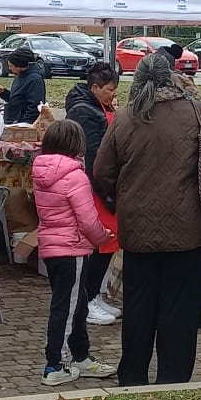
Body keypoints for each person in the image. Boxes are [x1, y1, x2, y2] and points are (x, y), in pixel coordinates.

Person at [94, 50, 201, 385]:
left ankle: (133, 376)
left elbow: (101, 172)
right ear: (171, 76)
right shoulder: (195, 112)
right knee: (180, 310)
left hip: (138, 230)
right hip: (187, 231)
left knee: (138, 307)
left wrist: (124, 196)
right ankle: (173, 379)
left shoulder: (127, 118)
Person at [32, 119, 114, 384]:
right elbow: (87, 219)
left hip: (52, 248)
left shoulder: (42, 171)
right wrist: (103, 237)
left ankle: (81, 355)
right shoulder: (75, 175)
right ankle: (55, 363)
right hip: (72, 249)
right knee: (66, 308)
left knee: (76, 304)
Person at [65, 62, 123, 326]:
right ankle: (86, 301)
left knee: (108, 243)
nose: (113, 94)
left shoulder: (99, 107)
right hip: (96, 188)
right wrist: (107, 192)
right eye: (110, 90)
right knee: (101, 243)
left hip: (104, 185)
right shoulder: (85, 112)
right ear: (95, 87)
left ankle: (94, 295)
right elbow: (93, 156)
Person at [2, 47, 46, 126]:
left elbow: (35, 106)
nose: (9, 69)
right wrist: (3, 92)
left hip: (23, 124)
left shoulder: (35, 80)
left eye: (11, 66)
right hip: (14, 121)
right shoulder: (19, 76)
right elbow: (17, 100)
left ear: (19, 66)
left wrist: (24, 124)